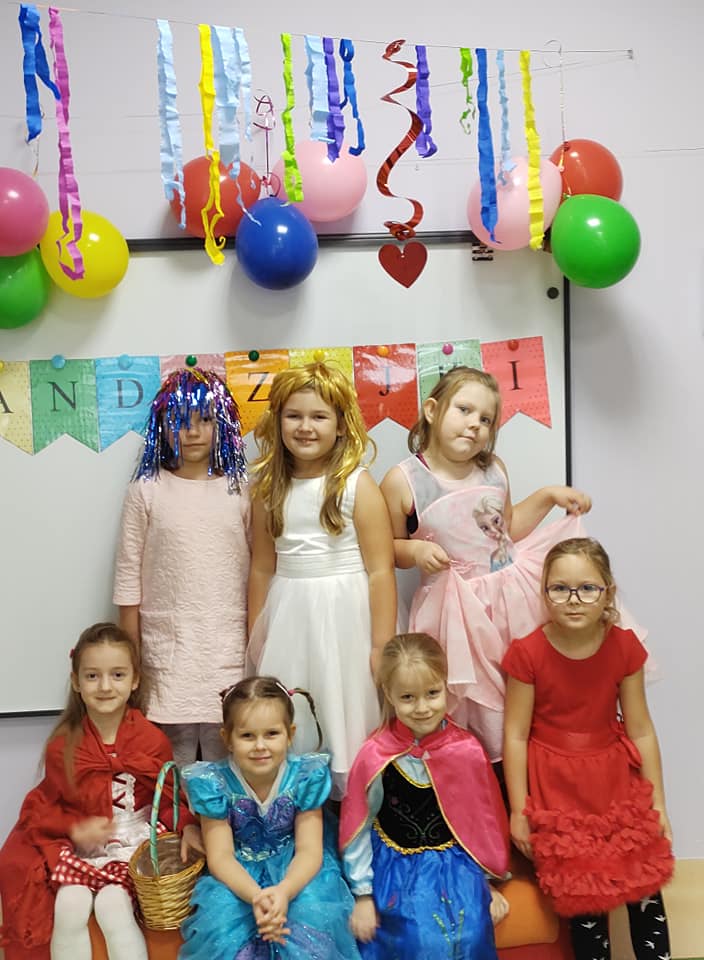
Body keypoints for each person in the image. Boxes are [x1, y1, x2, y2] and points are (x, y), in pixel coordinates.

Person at [380, 366, 591, 764]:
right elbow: (386, 549)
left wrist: (547, 496)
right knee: (473, 698)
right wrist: (416, 551)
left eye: (486, 419)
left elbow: (507, 527)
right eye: (464, 410)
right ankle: (479, 772)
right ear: (432, 410)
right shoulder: (404, 480)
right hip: (455, 610)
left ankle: (527, 772)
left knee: (521, 684)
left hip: (512, 600)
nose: (475, 423)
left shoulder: (494, 469)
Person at [502, 537, 673, 960]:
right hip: (558, 790)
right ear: (544, 593)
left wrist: (658, 804)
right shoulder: (527, 653)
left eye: (587, 588)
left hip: (616, 784)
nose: (573, 600)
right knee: (585, 899)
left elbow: (641, 729)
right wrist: (519, 811)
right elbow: (515, 736)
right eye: (559, 588)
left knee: (643, 886)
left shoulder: (624, 647)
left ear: (607, 593)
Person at [0, 622, 201, 960]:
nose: (105, 686)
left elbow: (167, 801)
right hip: (86, 846)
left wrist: (187, 826)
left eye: (117, 675)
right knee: (69, 904)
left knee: (113, 905)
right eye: (92, 676)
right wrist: (75, 829)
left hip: (134, 841)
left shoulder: (151, 739)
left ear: (134, 680)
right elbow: (52, 805)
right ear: (76, 682)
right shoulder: (63, 744)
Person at [247, 362, 396, 798]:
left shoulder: (357, 485)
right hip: (289, 615)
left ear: (341, 424)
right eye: (294, 416)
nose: (305, 427)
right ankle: (301, 810)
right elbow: (261, 567)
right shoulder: (267, 488)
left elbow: (381, 570)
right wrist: (257, 632)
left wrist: (380, 645)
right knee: (295, 705)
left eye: (318, 416)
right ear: (277, 421)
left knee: (344, 703)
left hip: (347, 615)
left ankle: (353, 807)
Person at [340, 632, 511, 960]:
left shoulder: (465, 750)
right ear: (388, 694)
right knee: (419, 939)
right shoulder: (375, 754)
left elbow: (482, 823)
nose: (422, 708)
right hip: (397, 868)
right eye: (408, 697)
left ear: (445, 686)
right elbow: (358, 826)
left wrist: (487, 882)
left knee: (471, 934)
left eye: (432, 693)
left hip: (457, 867)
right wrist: (362, 894)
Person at [114, 366, 251, 766]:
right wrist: (132, 658)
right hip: (167, 650)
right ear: (162, 426)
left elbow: (260, 569)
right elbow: (128, 578)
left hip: (227, 644)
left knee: (229, 754)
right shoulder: (146, 490)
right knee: (170, 761)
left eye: (204, 420)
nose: (192, 432)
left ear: (222, 424)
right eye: (179, 421)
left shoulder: (243, 490)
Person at [179, 676, 361, 960]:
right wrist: (256, 897)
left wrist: (284, 892)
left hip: (295, 866)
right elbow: (220, 856)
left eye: (272, 734)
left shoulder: (305, 777)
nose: (260, 746)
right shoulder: (214, 784)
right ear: (227, 738)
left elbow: (309, 850)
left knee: (311, 922)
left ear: (290, 734)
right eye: (247, 736)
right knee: (223, 931)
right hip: (238, 870)